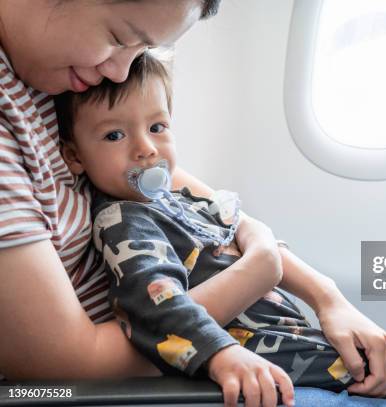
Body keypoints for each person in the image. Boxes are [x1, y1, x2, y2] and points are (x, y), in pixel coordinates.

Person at [0, 1, 386, 407]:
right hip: (177, 372)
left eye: (139, 52)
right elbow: (74, 361)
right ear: (74, 153)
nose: (120, 71)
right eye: (119, 37)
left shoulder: (69, 72)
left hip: (264, 343)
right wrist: (257, 272)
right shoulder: (123, 216)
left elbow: (221, 213)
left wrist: (327, 297)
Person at [54, 50, 369, 393]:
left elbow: (235, 222)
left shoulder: (176, 199)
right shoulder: (124, 220)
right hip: (274, 378)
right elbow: (156, 302)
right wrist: (220, 352)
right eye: (115, 135)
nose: (146, 149)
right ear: (74, 155)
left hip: (314, 355)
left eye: (157, 127)